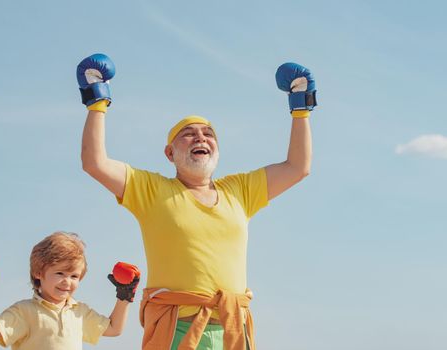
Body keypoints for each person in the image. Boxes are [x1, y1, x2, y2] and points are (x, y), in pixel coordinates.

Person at [77, 54, 316, 350]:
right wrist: (97, 102)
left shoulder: (240, 190)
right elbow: (94, 163)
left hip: (233, 330)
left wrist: (301, 109)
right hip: (177, 328)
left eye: (208, 134)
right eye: (188, 135)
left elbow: (298, 167)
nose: (200, 138)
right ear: (169, 153)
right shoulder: (150, 188)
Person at [0, 231, 141, 350]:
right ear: (38, 273)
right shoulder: (25, 311)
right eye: (60, 273)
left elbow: (113, 329)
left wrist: (124, 295)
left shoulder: (79, 312)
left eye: (74, 276)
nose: (67, 282)